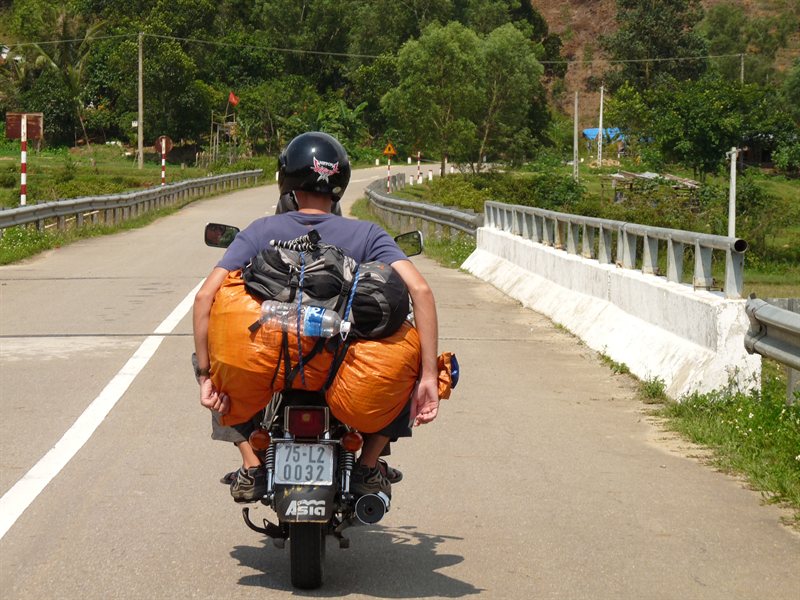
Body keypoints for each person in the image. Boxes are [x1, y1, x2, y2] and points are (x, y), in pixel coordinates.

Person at [193, 131, 440, 502]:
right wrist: (429, 375)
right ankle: (369, 466)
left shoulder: (261, 230)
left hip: (275, 362)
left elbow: (204, 297)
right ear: (339, 184)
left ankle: (251, 464)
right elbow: (419, 291)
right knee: (404, 357)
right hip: (341, 363)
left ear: (286, 180)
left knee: (217, 351)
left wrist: (205, 376)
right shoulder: (367, 233)